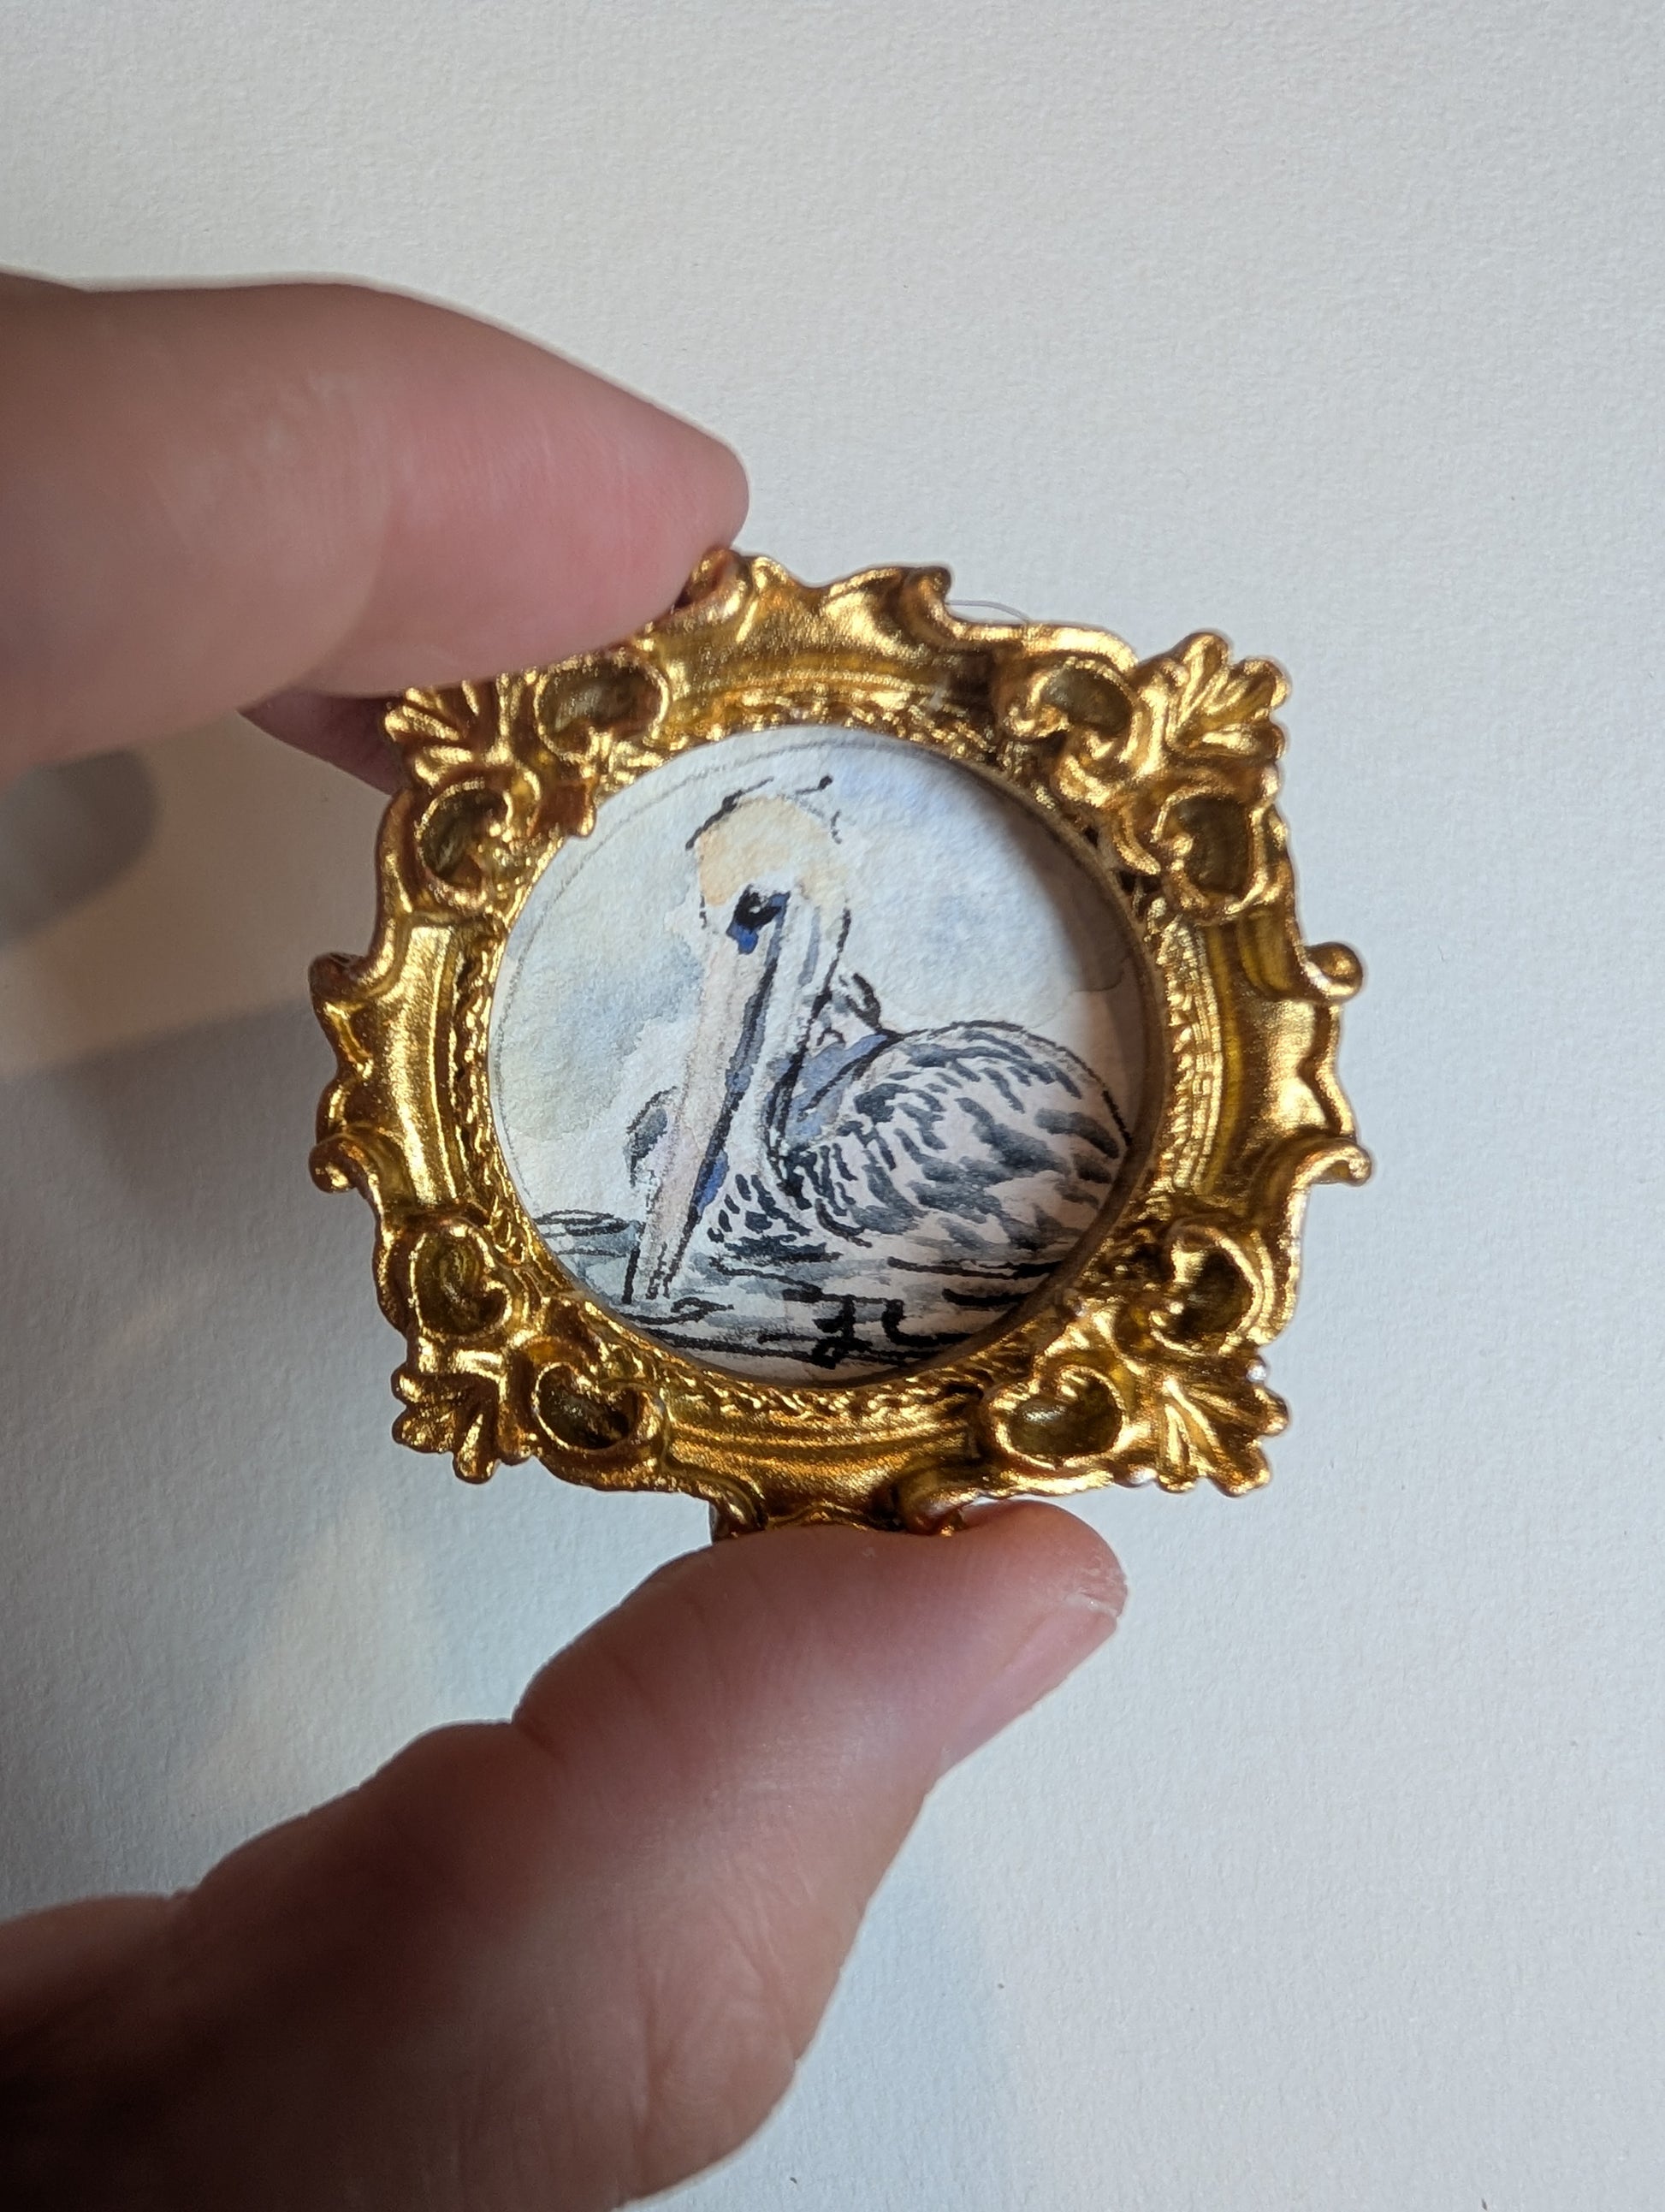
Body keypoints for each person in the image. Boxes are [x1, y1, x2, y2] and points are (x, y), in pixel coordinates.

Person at [0, 273, 1124, 2210]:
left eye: (749, 935)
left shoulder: (915, 1110)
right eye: (721, 939)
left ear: (806, 916)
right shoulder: (741, 1096)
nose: (729, 977)